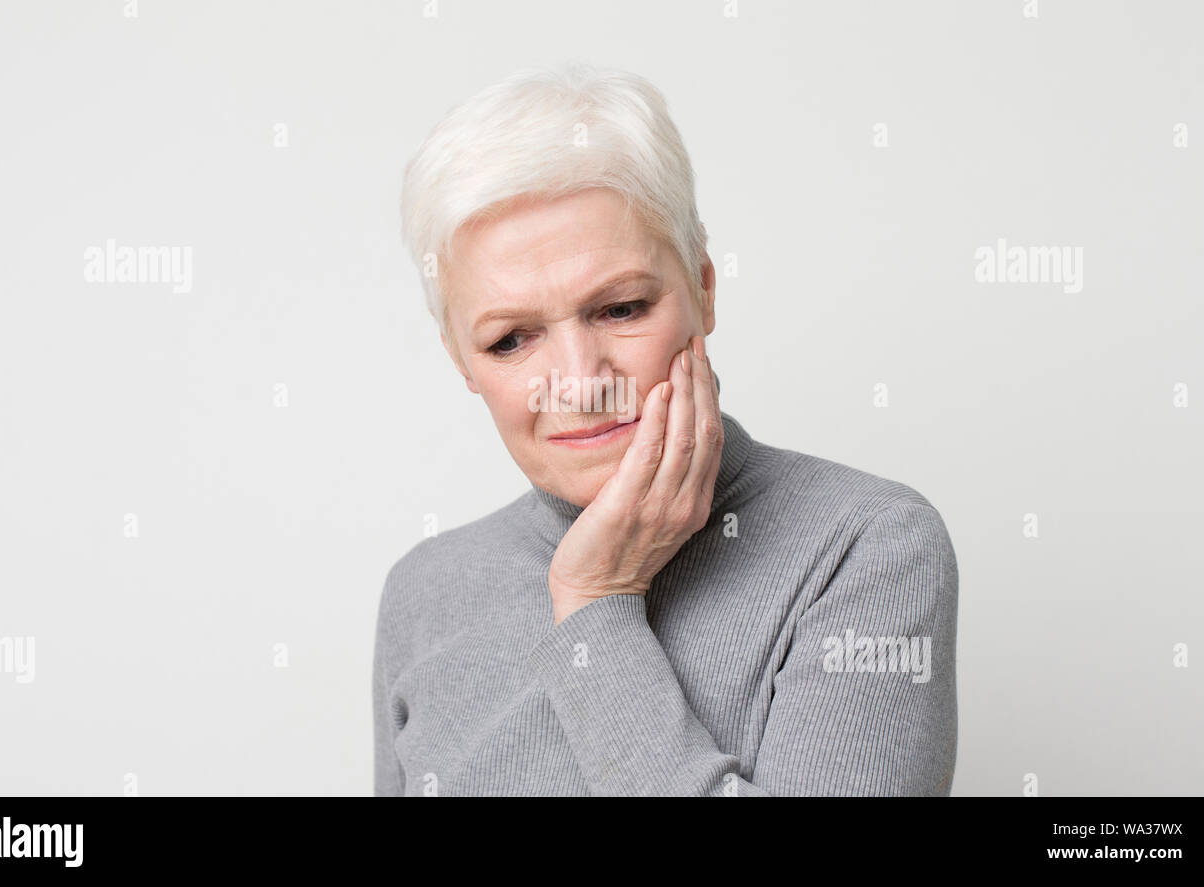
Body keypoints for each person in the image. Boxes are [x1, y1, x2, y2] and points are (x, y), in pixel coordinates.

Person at [375, 62, 959, 796]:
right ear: (461, 358)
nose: (581, 381)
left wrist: (596, 599)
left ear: (702, 288)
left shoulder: (866, 546)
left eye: (620, 308)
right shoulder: (424, 591)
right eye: (510, 339)